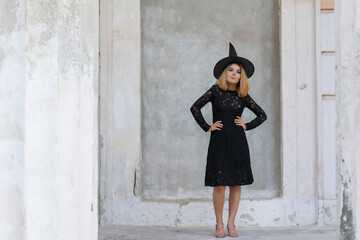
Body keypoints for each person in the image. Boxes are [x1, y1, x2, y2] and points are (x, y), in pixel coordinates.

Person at [190, 42, 267, 238]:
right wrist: (208, 126)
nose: (234, 73)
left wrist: (246, 125)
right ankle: (219, 224)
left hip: (238, 143)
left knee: (236, 184)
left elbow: (262, 115)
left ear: (242, 77)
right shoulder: (215, 91)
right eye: (231, 69)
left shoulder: (242, 96)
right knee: (219, 184)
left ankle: (232, 224)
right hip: (219, 142)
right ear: (225, 73)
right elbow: (195, 107)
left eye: (238, 71)